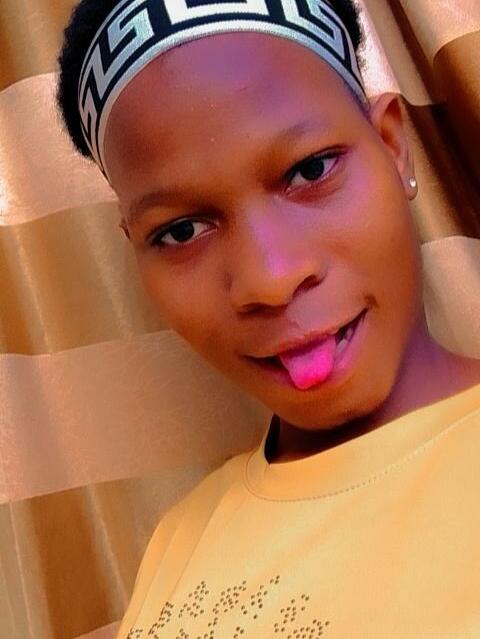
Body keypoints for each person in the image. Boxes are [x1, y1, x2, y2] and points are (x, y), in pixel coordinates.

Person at [56, 1, 480, 636]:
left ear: (394, 148)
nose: (270, 279)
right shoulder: (179, 542)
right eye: (181, 231)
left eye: (310, 170)